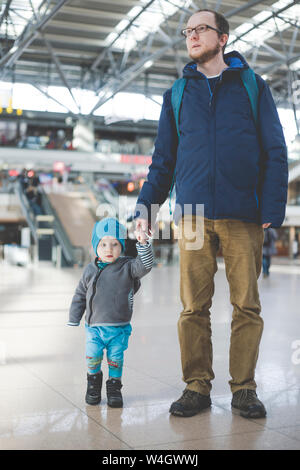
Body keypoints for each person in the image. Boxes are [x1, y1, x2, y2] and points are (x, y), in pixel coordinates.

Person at [134, 9, 288, 419]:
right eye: (187, 31)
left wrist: (272, 206)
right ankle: (197, 386)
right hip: (194, 214)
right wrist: (146, 207)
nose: (191, 36)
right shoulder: (177, 94)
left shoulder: (253, 87)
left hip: (243, 213)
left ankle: (244, 388)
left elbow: (275, 149)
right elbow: (163, 160)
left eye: (200, 28)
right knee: (192, 308)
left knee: (246, 305)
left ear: (222, 37)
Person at [67, 217, 153, 407]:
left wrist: (143, 243)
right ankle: (93, 384)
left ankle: (114, 388)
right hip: (94, 328)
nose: (109, 249)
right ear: (95, 246)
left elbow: (145, 265)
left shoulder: (128, 267)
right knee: (93, 356)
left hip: (119, 328)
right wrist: (74, 317)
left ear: (121, 247)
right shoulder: (90, 270)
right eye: (103, 244)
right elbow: (80, 294)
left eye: (115, 244)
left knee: (116, 359)